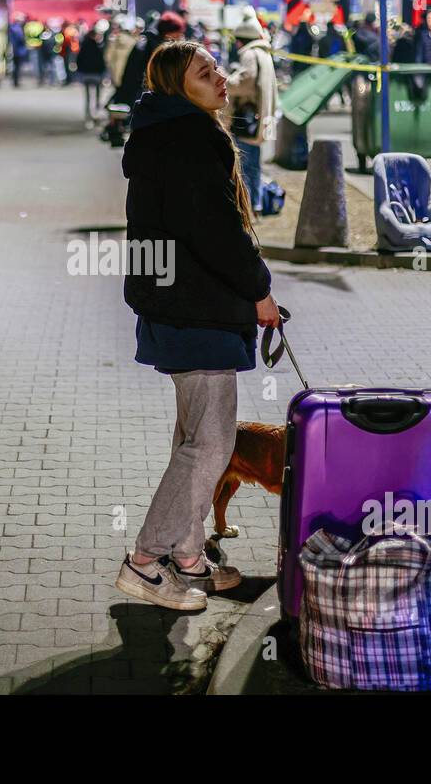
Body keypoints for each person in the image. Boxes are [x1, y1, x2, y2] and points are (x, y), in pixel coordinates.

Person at [115, 39, 279, 611]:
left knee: (193, 438)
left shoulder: (163, 134)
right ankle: (144, 562)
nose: (219, 78)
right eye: (204, 73)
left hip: (175, 303)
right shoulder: (188, 139)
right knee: (210, 445)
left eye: (216, 69)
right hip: (196, 306)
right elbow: (214, 231)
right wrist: (258, 289)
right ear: (174, 86)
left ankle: (187, 554)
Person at [226, 7, 278, 213]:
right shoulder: (263, 51)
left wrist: (227, 80)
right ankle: (254, 202)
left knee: (245, 164)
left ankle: (247, 204)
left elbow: (245, 82)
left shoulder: (249, 54)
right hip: (258, 115)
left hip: (246, 117)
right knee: (253, 163)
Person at [110, 10, 186, 110]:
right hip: (142, 95)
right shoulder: (149, 45)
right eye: (178, 33)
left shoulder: (153, 42)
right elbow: (134, 73)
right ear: (169, 33)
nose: (180, 37)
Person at [77, 19, 108, 126]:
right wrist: (103, 72)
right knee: (98, 96)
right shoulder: (98, 47)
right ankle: (96, 114)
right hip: (96, 74)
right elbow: (102, 61)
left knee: (88, 97)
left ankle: (88, 116)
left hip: (86, 74)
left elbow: (79, 60)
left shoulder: (84, 46)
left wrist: (80, 71)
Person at [8, 13, 29, 88]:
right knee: (17, 67)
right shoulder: (17, 29)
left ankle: (15, 81)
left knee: (15, 66)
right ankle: (16, 82)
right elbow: (21, 39)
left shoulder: (13, 28)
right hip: (18, 51)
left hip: (15, 50)